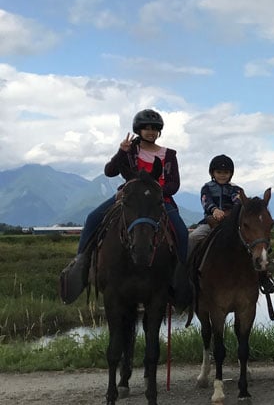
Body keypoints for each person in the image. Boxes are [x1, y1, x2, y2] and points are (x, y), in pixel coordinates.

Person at [58, 109, 190, 303]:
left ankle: (180, 278)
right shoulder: (130, 150)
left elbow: (174, 184)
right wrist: (121, 152)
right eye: (146, 128)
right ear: (138, 130)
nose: (151, 131)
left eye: (154, 128)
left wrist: (154, 190)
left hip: (158, 200)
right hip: (128, 197)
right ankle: (81, 264)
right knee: (93, 218)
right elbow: (109, 171)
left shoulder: (168, 155)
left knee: (182, 231)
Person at [187, 154, 274, 295]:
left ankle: (263, 276)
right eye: (219, 172)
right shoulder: (207, 188)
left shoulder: (236, 190)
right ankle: (188, 273)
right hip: (211, 222)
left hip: (231, 224)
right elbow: (206, 201)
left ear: (231, 174)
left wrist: (230, 213)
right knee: (193, 238)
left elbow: (238, 202)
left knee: (252, 244)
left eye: (226, 172)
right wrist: (214, 210)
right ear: (212, 173)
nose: (222, 175)